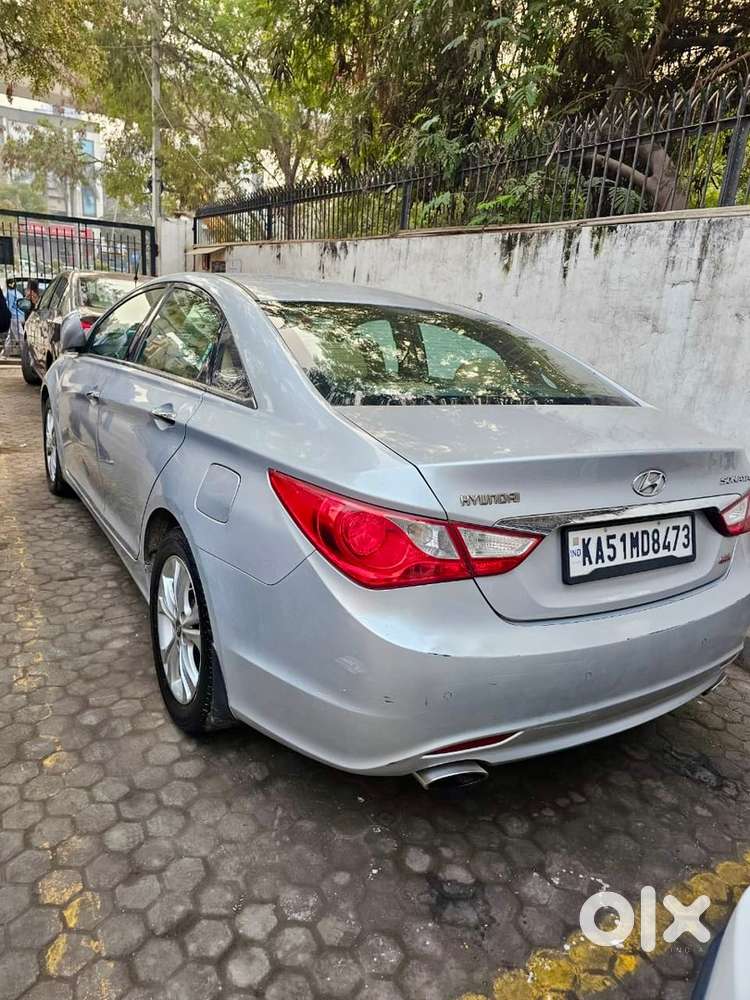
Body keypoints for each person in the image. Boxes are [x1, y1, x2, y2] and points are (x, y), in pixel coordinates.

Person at [2, 279, 25, 358]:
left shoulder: (9, 293)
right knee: (10, 336)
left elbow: (8, 307)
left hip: (14, 317)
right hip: (20, 316)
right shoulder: (17, 292)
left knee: (20, 336)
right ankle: (4, 354)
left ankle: (26, 354)